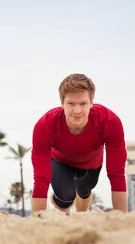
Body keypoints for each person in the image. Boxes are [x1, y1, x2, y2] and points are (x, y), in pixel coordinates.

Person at [31, 73, 128, 214]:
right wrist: (36, 221)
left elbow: (117, 174)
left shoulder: (109, 122)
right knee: (66, 198)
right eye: (71, 104)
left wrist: (122, 219)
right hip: (60, 161)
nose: (77, 111)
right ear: (62, 103)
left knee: (84, 189)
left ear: (91, 103)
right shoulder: (45, 125)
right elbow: (41, 179)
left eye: (83, 104)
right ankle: (62, 205)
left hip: (91, 164)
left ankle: (81, 214)